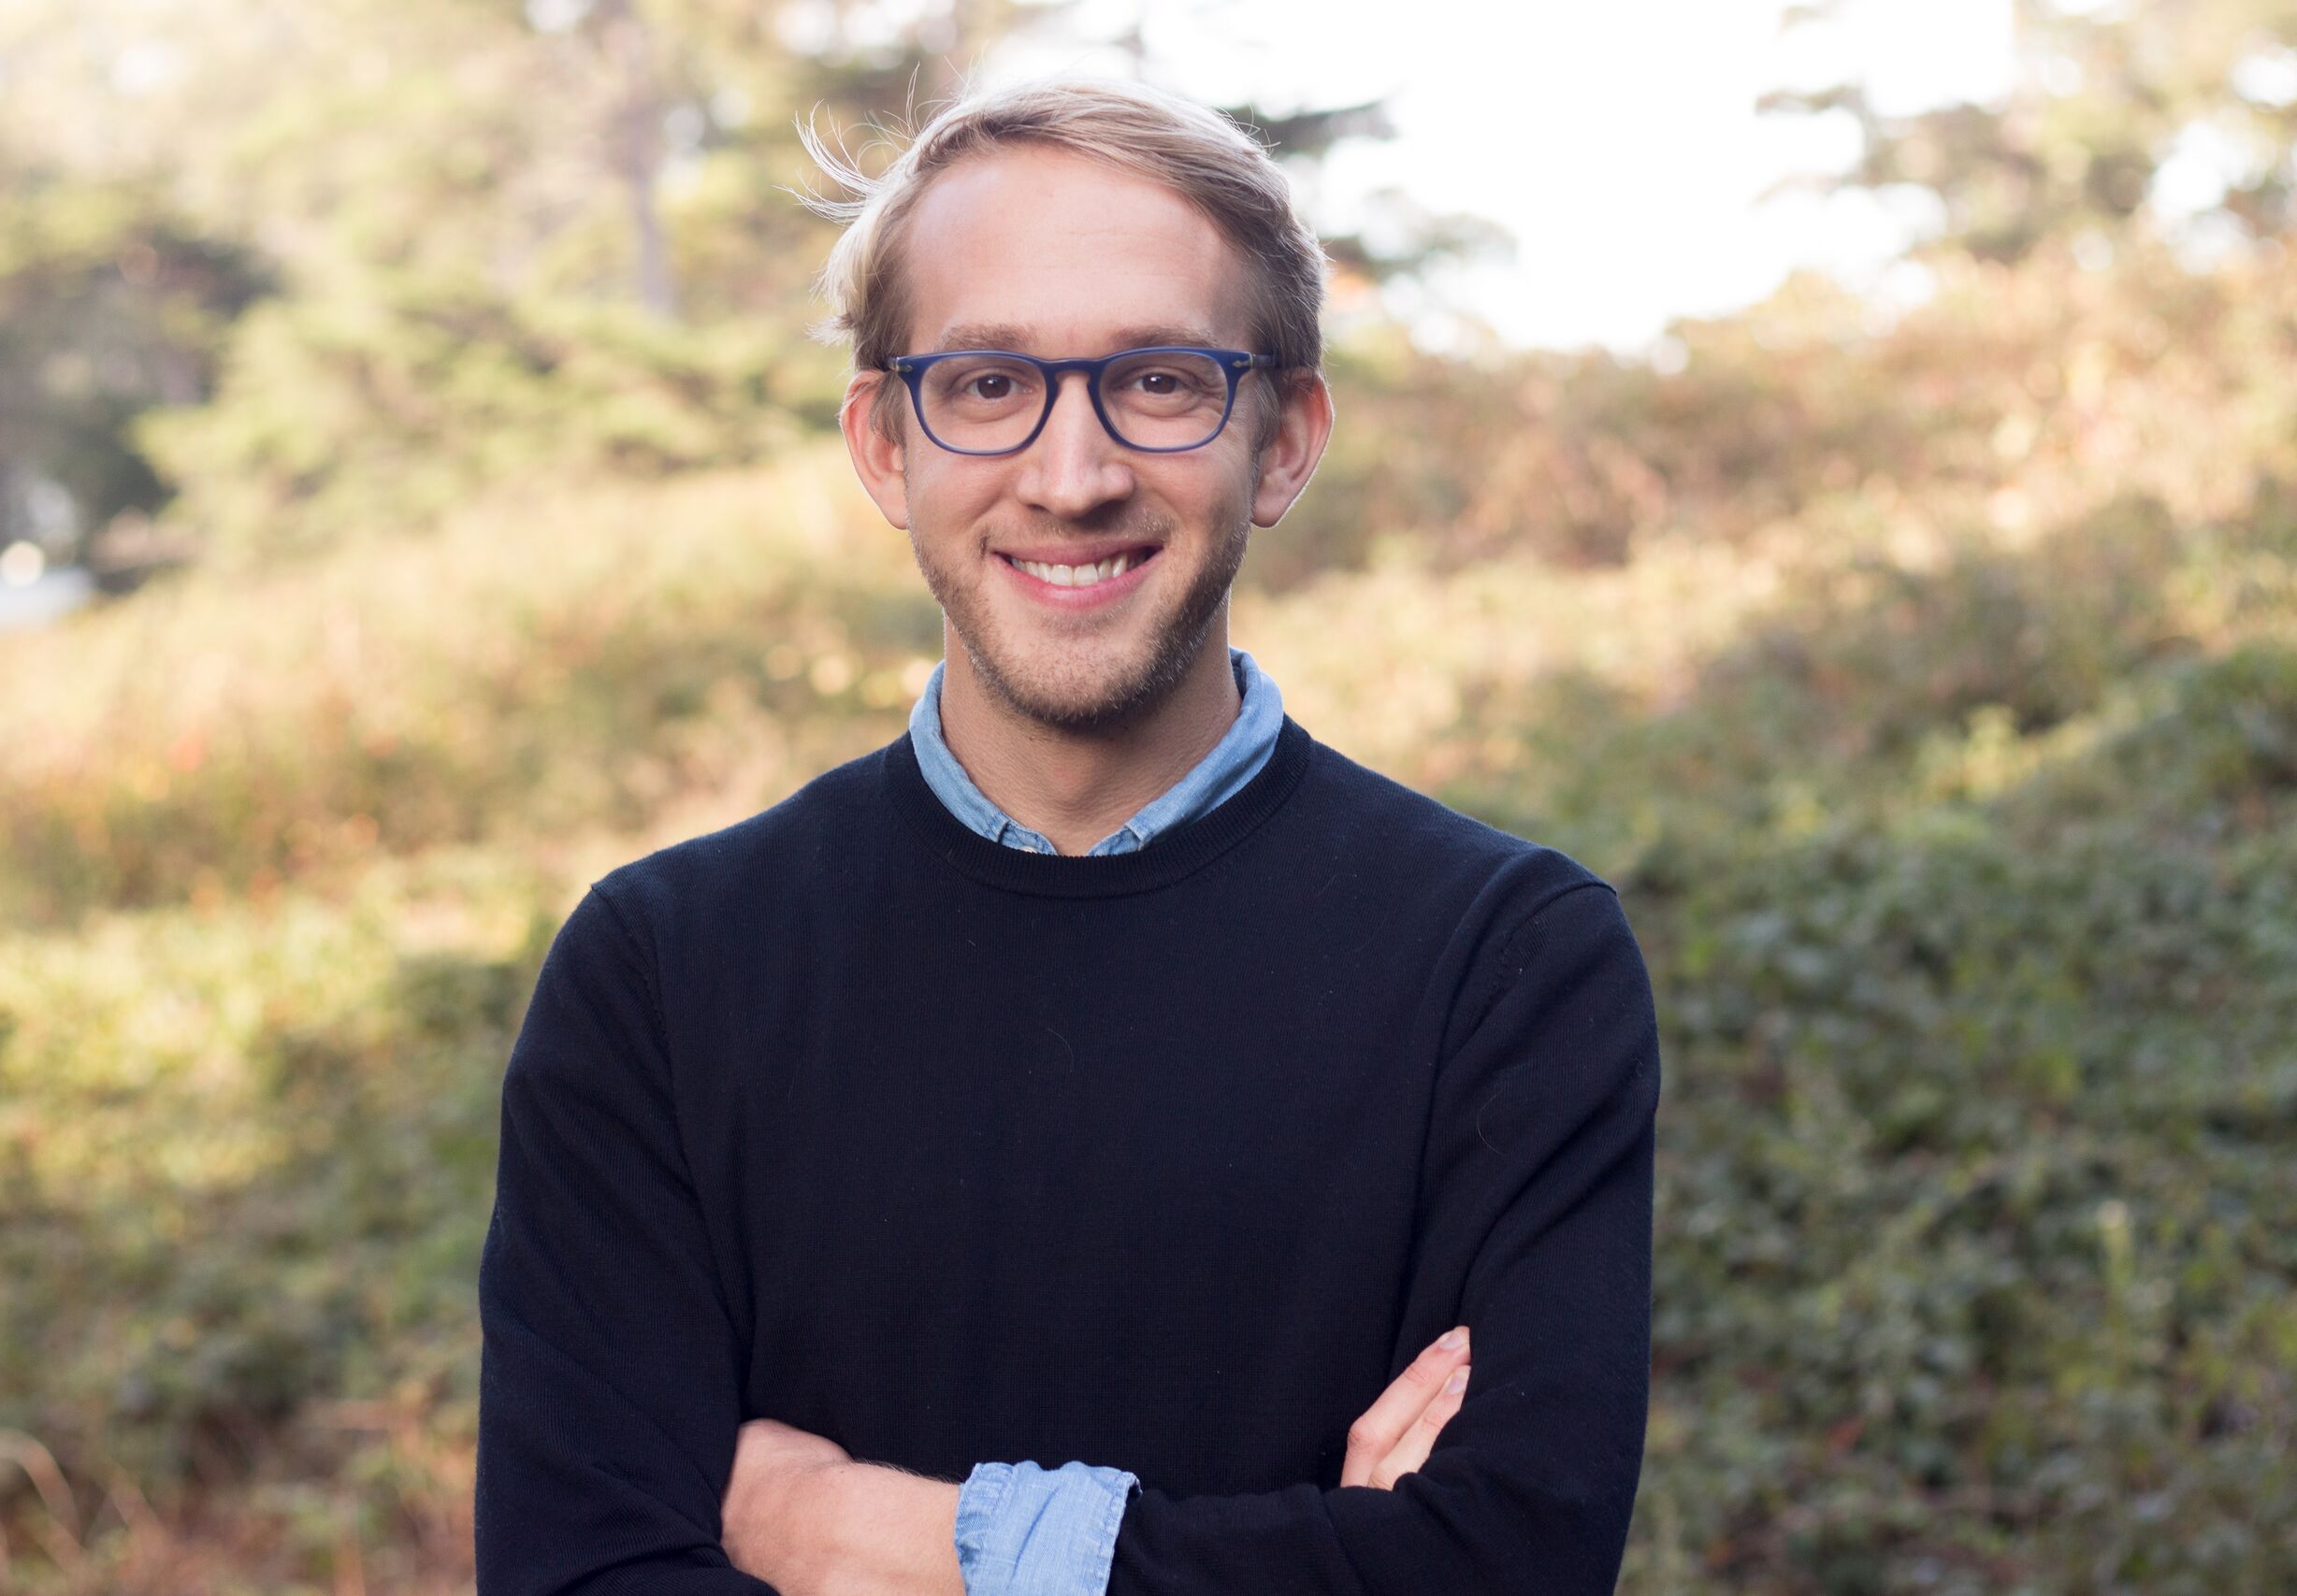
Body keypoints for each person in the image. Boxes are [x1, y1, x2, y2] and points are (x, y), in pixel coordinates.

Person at [473, 77, 1660, 1596]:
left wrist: (880, 1542)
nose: (1073, 475)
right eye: (986, 385)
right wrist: (1323, 1559)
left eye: (1159, 381)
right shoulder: (662, 975)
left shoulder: (1509, 966)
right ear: (885, 444)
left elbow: (1505, 1569)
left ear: (1284, 441)